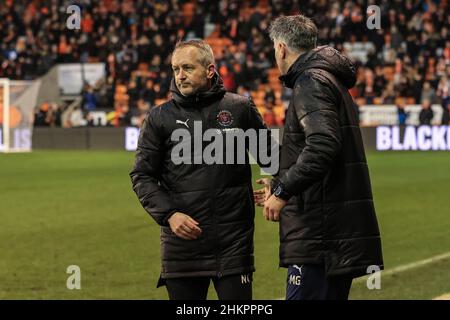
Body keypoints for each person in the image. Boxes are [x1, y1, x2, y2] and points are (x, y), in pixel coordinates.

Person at [130, 40, 272, 300]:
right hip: (182, 244)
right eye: (175, 69)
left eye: (187, 67)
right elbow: (142, 175)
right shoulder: (159, 118)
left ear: (209, 70)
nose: (180, 76)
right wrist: (170, 215)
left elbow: (272, 157)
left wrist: (275, 183)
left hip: (233, 244)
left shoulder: (240, 108)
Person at [254, 15, 384, 300]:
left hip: (320, 235)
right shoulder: (329, 79)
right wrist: (280, 177)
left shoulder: (310, 81)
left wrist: (283, 190)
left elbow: (323, 145)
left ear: (281, 48)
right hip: (331, 229)